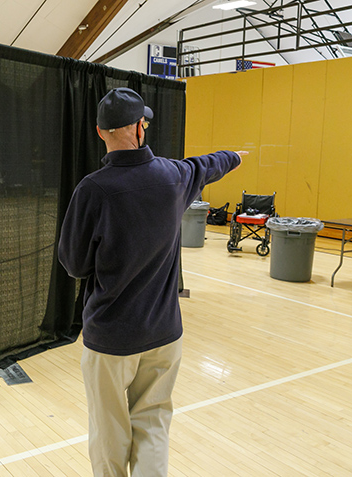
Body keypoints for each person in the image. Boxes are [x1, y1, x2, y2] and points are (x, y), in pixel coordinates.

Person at [57, 88, 245, 477]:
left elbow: (74, 265)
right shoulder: (173, 177)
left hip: (111, 338)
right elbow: (208, 164)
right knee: (154, 422)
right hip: (164, 333)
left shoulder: (93, 189)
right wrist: (236, 157)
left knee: (109, 429)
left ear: (100, 131)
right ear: (140, 127)